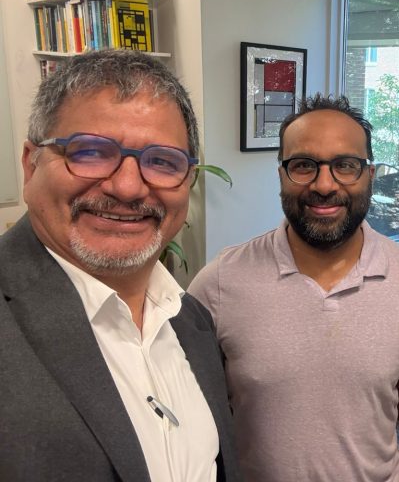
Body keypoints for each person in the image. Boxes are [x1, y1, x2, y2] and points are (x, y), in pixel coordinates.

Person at [0, 49, 241, 481]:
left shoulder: (192, 318)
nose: (128, 188)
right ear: (30, 164)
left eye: (162, 161)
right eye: (91, 152)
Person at [188, 94, 399, 482]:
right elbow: (191, 402)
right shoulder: (221, 281)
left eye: (346, 165)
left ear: (370, 175)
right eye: (304, 165)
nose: (324, 185)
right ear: (281, 175)